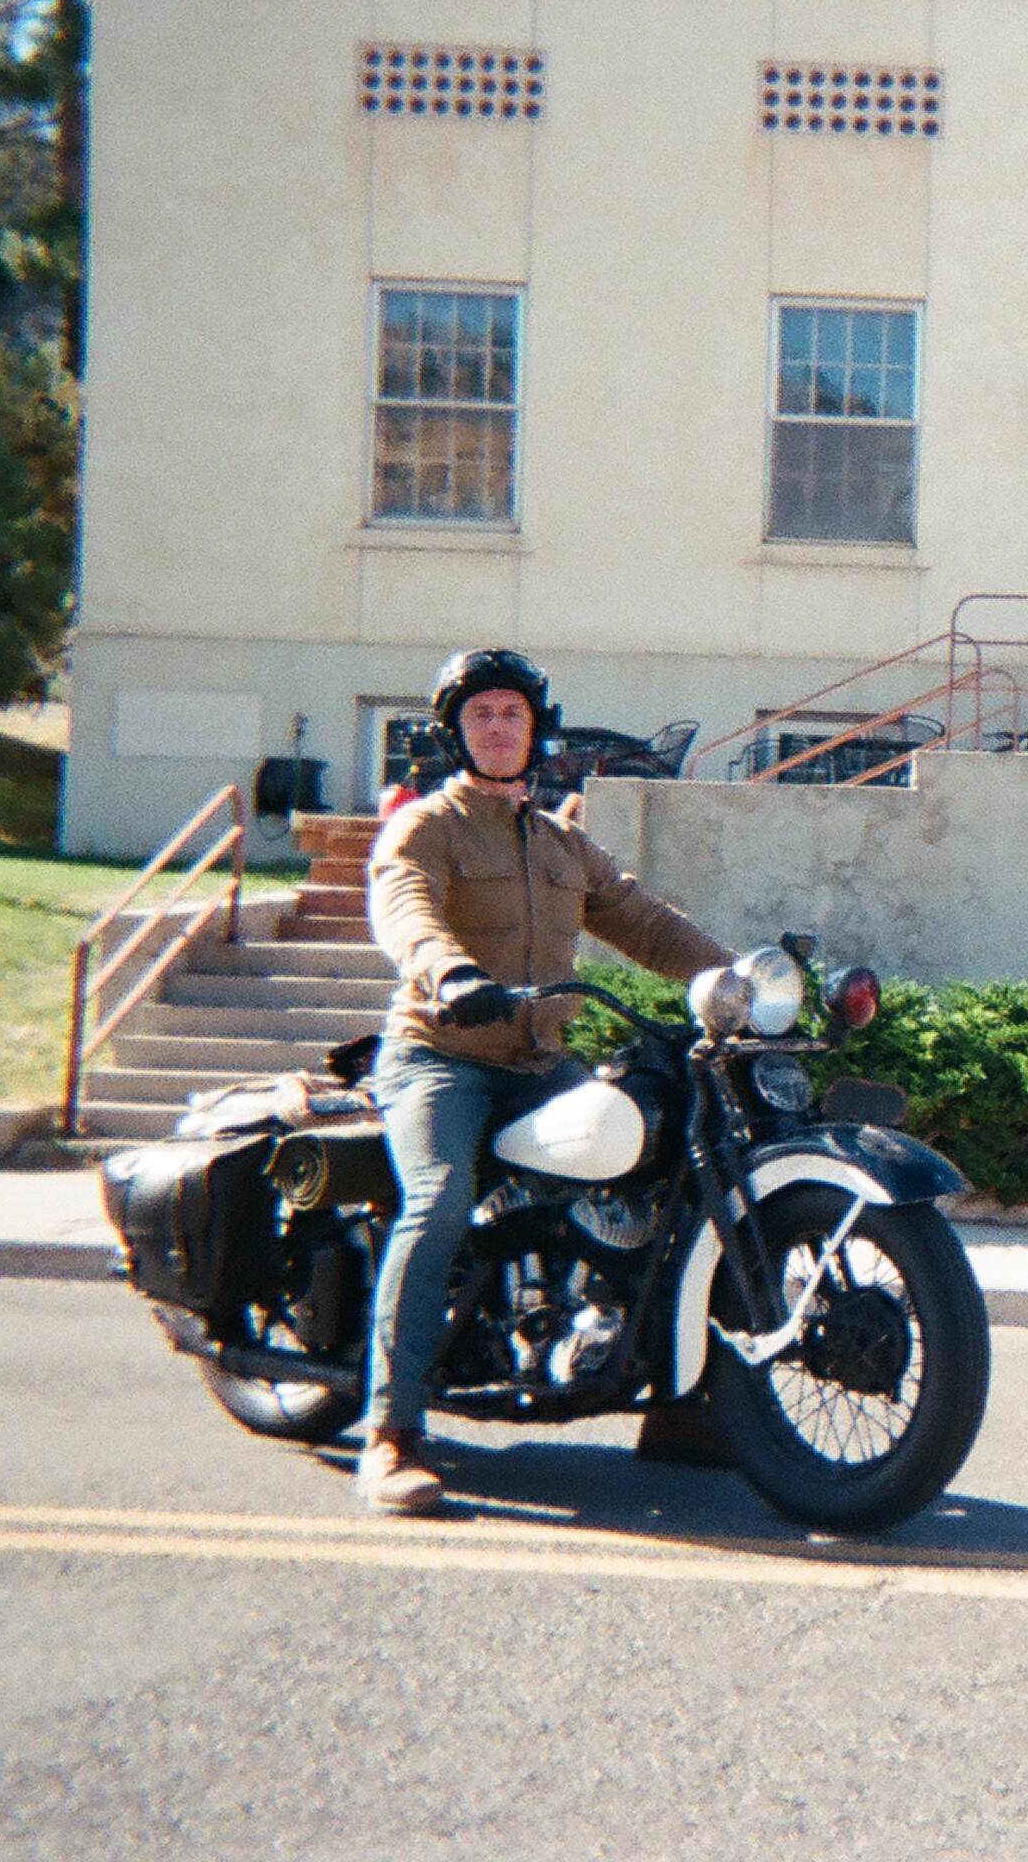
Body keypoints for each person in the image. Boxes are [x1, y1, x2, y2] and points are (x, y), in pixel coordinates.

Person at [357, 648, 732, 1516]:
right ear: (456, 732)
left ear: (535, 730)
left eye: (512, 714)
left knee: (664, 1177)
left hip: (538, 1067)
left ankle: (678, 1405)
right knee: (441, 1198)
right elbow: (404, 906)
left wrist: (740, 982)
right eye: (481, 713)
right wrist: (444, 970)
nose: (498, 726)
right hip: (441, 1058)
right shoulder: (426, 827)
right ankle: (392, 1432)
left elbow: (645, 923)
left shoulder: (564, 843)